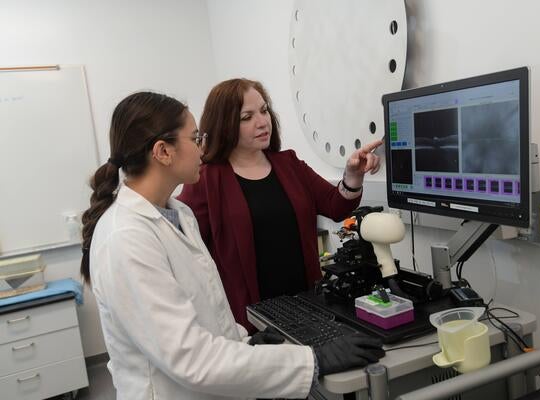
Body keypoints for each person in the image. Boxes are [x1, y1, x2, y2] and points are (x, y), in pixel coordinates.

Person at [80, 91, 384, 400]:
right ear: (163, 152)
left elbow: (209, 306)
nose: (202, 149)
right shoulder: (126, 237)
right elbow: (190, 358)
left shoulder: (178, 215)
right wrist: (313, 360)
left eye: (264, 111)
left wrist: (245, 343)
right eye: (195, 139)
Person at [178, 78, 382, 330]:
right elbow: (186, 251)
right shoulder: (206, 179)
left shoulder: (289, 164)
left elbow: (335, 205)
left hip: (308, 308)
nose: (262, 122)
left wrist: (353, 175)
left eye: (264, 111)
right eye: (247, 117)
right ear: (225, 124)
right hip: (250, 322)